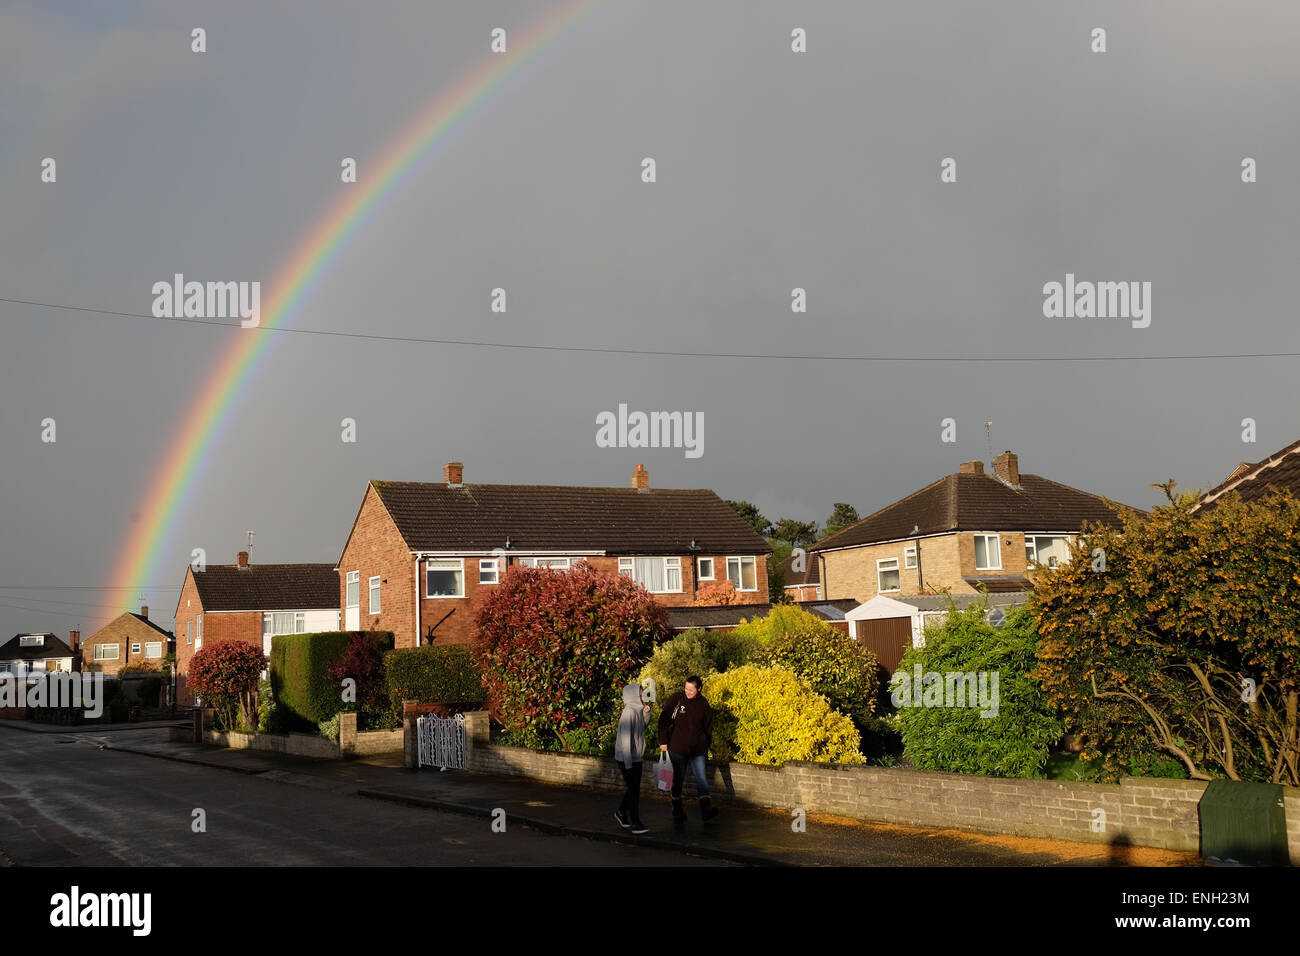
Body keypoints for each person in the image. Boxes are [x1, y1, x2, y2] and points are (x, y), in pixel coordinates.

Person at [657, 675, 718, 821]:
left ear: (699, 689)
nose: (687, 692)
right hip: (678, 747)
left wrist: (706, 743)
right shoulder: (677, 699)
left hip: (698, 749)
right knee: (678, 778)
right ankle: (677, 808)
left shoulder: (703, 703)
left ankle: (705, 809)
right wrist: (663, 741)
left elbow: (708, 726)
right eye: (686, 688)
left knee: (701, 778)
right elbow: (664, 719)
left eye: (691, 689)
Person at [614, 682, 650, 834]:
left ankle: (621, 813)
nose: (642, 694)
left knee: (633, 788)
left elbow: (642, 729)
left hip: (635, 757)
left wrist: (646, 714)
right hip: (627, 758)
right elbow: (625, 738)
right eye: (640, 691)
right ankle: (635, 823)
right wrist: (628, 762)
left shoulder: (637, 710)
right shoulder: (629, 712)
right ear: (633, 694)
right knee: (634, 790)